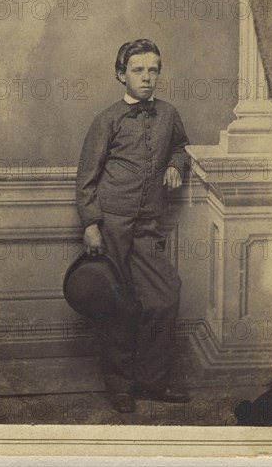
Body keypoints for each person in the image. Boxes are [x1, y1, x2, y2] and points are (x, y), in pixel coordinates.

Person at [76, 39, 190, 413]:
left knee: (163, 297)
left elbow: (180, 148)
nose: (147, 77)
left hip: (147, 226)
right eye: (138, 70)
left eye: (153, 69)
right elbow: (86, 178)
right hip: (111, 226)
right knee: (117, 305)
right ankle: (121, 387)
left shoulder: (169, 114)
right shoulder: (106, 119)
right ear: (121, 74)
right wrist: (92, 223)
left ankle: (153, 382)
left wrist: (175, 165)